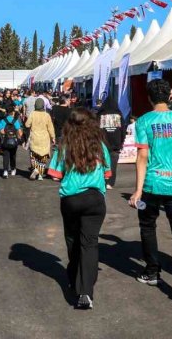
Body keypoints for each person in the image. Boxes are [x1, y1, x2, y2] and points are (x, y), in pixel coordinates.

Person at [128, 79, 172, 303]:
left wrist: (137, 191)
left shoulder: (144, 121)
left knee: (148, 226)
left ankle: (152, 271)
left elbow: (142, 157)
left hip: (151, 185)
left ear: (149, 98)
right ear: (170, 96)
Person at [54, 109, 112, 309]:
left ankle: (73, 277)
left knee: (72, 240)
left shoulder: (64, 146)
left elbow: (54, 174)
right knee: (90, 243)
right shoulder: (100, 146)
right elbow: (107, 174)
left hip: (71, 198)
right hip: (95, 199)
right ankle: (86, 291)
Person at [96, 96, 124, 189]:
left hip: (102, 143)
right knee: (113, 164)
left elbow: (95, 129)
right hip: (116, 144)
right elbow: (123, 130)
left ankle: (102, 181)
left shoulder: (100, 115)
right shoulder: (119, 115)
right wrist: (121, 141)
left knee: (101, 162)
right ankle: (110, 183)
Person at [26, 98, 55, 180]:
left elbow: (27, 125)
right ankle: (40, 175)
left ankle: (35, 169)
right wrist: (53, 137)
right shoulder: (47, 115)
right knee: (43, 157)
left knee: (34, 156)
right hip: (44, 139)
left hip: (34, 137)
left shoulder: (32, 114)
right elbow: (50, 128)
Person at [0, 107, 22, 178]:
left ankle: (5, 170)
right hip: (14, 141)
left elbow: (1, 131)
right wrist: (18, 137)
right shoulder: (15, 121)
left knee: (6, 155)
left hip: (5, 141)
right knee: (13, 155)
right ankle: (13, 169)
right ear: (13, 112)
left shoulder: (3, 121)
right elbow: (20, 132)